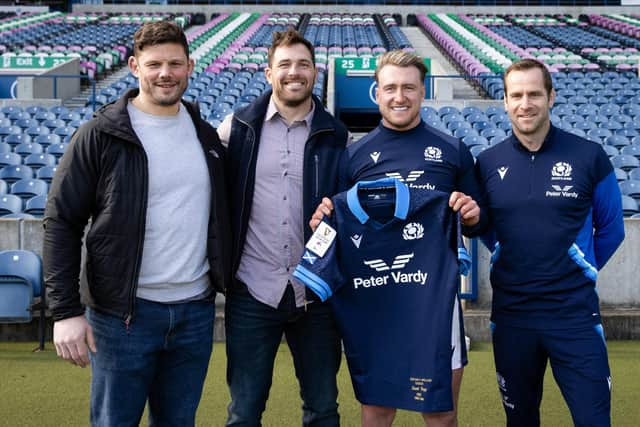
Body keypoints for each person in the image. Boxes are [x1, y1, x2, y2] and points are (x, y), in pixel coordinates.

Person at [43, 21, 231, 426]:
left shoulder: (206, 136)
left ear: (190, 66)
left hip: (193, 313)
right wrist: (64, 312)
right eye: (155, 64)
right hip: (121, 318)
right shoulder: (99, 134)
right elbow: (61, 222)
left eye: (175, 64)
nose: (166, 73)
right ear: (134, 66)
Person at [310, 50, 485, 427]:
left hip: (434, 304)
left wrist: (472, 215)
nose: (399, 96)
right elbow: (337, 222)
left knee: (440, 414)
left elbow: (478, 222)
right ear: (377, 92)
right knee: (377, 412)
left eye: (408, 87)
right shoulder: (354, 155)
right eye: (390, 88)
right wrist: (324, 220)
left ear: (423, 91)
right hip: (377, 302)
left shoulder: (453, 150)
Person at [474, 58, 625, 427]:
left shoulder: (589, 156)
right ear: (505, 101)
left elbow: (612, 229)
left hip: (574, 315)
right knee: (521, 421)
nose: (526, 103)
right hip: (512, 317)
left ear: (551, 97)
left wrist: (576, 265)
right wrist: (513, 257)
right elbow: (486, 228)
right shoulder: (488, 163)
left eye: (534, 94)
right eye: (517, 95)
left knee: (594, 420)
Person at [216, 28, 349, 427]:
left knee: (323, 409)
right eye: (285, 64)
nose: (295, 72)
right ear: (268, 72)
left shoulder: (336, 136)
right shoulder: (236, 129)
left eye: (303, 65)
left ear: (315, 72)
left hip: (316, 294)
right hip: (252, 291)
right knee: (243, 412)